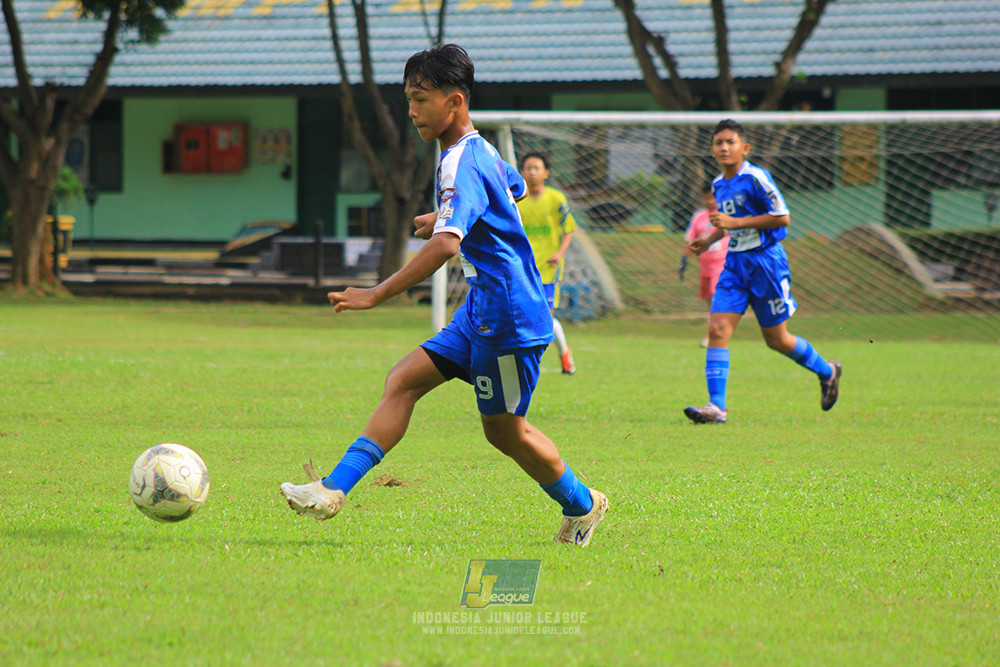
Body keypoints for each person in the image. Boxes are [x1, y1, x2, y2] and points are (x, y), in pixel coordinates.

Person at [280, 44, 608, 546]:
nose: (411, 110)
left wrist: (378, 292)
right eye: (408, 98)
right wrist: (451, 213)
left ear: (454, 102)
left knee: (504, 432)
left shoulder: (461, 160)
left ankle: (584, 505)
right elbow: (512, 188)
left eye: (420, 98)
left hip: (510, 320)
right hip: (480, 310)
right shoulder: (481, 151)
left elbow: (445, 247)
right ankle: (331, 490)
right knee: (403, 380)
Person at [683, 119, 841, 424]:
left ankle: (828, 371)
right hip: (735, 265)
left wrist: (734, 225)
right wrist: (708, 240)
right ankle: (716, 407)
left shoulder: (757, 178)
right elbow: (728, 222)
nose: (725, 147)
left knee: (777, 340)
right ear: (712, 149)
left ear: (745, 148)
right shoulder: (719, 184)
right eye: (719, 142)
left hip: (767, 264)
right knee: (716, 331)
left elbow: (782, 218)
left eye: (731, 142)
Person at [517, 152, 577, 374]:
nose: (532, 172)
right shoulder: (516, 200)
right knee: (523, 316)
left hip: (548, 269)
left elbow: (569, 229)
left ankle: (564, 356)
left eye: (536, 168)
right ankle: (526, 361)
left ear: (546, 173)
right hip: (522, 268)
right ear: (522, 173)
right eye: (528, 168)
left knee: (547, 316)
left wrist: (559, 253)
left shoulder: (556, 199)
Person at [680, 186, 728, 347]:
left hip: (722, 263)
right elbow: (690, 239)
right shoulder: (699, 216)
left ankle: (711, 336)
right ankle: (716, 332)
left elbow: (727, 233)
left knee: (716, 298)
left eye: (712, 198)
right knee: (710, 302)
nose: (709, 201)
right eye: (706, 198)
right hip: (705, 265)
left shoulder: (724, 215)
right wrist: (684, 260)